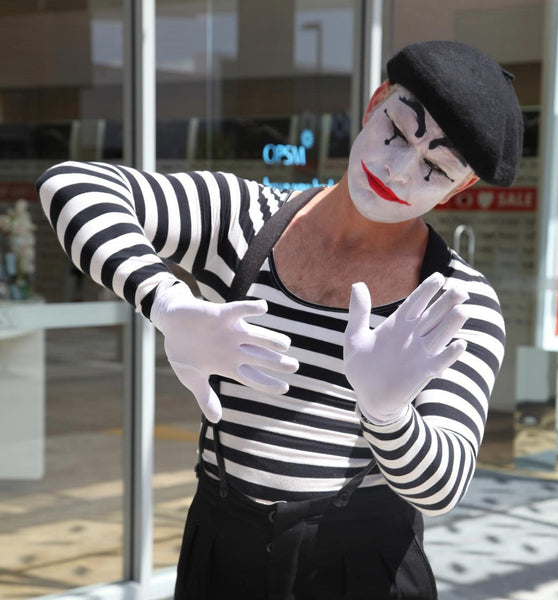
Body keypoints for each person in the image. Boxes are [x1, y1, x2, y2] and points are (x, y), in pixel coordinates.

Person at [36, 40, 522, 600]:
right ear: (375, 103)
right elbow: (72, 185)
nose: (399, 168)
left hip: (359, 568)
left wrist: (388, 416)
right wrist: (166, 302)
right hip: (222, 549)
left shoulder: (457, 300)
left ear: (460, 186)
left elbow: (443, 486)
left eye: (436, 167)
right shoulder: (243, 218)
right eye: (398, 130)